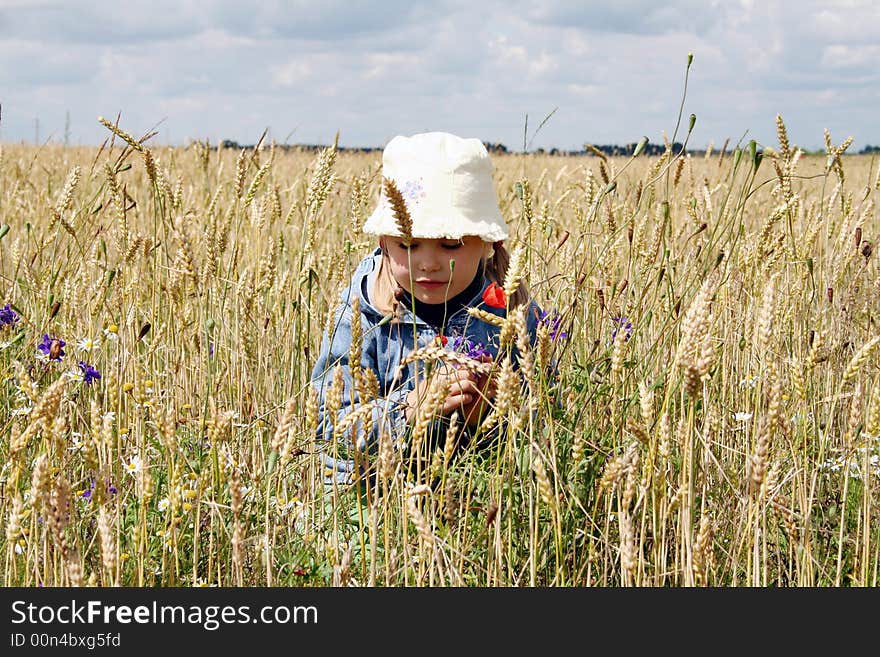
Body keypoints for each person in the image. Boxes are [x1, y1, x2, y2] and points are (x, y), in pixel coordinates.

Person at [310, 131, 544, 485]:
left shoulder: (512, 311)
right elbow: (328, 426)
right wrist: (409, 409)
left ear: (489, 244)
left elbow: (549, 416)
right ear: (383, 243)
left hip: (477, 501)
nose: (429, 263)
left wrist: (491, 412)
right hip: (373, 511)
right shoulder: (361, 312)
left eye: (451, 245)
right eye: (409, 244)